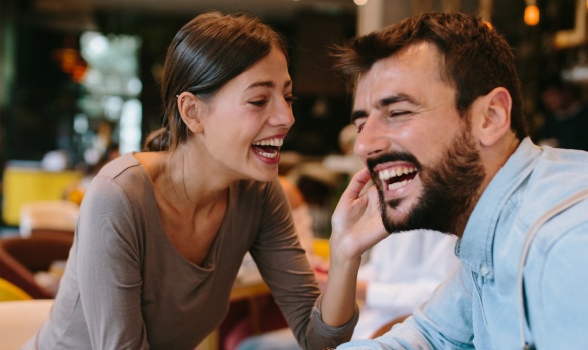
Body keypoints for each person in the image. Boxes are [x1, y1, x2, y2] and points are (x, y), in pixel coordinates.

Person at [327, 12, 588, 349]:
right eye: (362, 123)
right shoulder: (494, 229)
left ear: (491, 117)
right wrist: (345, 251)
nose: (364, 143)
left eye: (397, 112)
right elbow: (430, 337)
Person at [24, 12, 360, 349]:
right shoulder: (117, 197)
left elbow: (320, 342)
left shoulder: (258, 194)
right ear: (193, 112)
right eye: (259, 100)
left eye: (287, 97)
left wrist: (345, 252)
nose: (287, 118)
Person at [237, 229, 459, 349]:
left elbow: (436, 293)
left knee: (252, 346)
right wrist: (340, 277)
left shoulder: (440, 222)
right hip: (365, 324)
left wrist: (366, 291)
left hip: (391, 328)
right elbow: (379, 268)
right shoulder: (393, 207)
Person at [537, 79, 588, 154]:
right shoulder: (551, 119)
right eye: (545, 96)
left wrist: (559, 146)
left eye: (552, 94)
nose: (549, 100)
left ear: (566, 92)